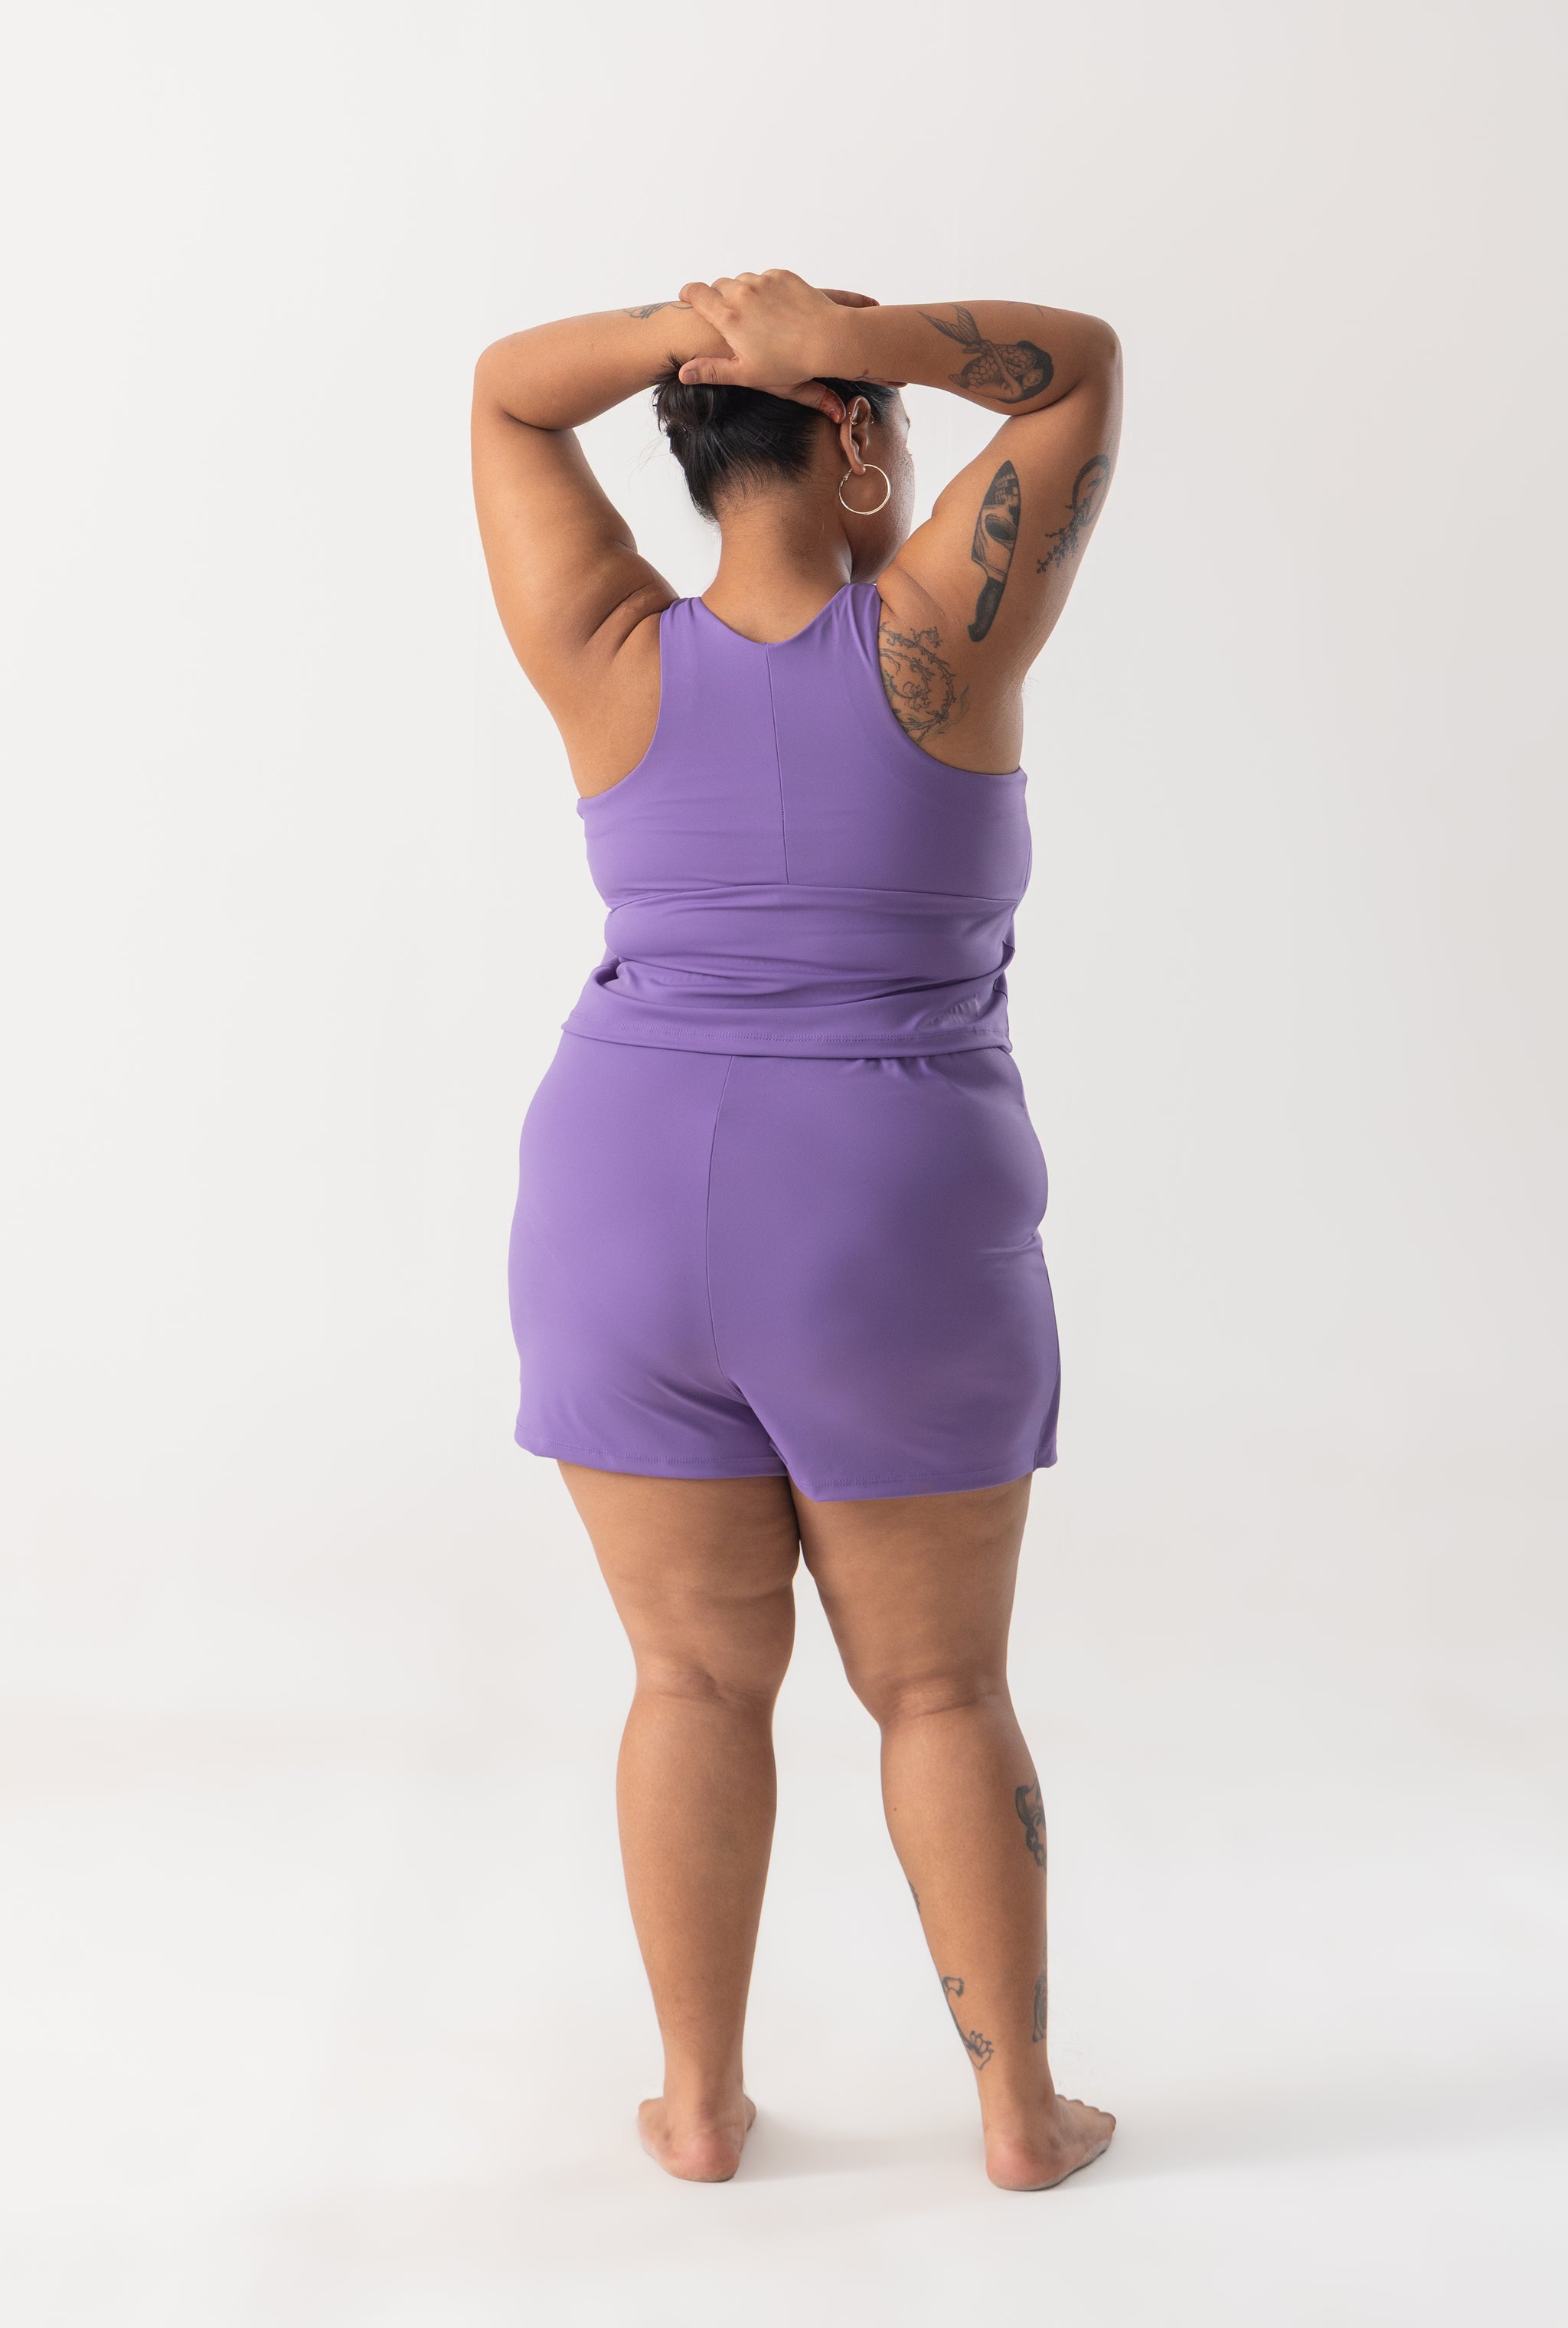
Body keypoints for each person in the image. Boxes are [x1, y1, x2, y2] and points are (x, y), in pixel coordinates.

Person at [470, 270, 1122, 2190]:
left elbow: (507, 394)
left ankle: (695, 2110)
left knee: (687, 1681)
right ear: (854, 437)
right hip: (882, 1207)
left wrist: (684, 327)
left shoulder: (606, 644)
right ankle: (1014, 2115)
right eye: (883, 417)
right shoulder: (935, 640)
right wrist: (853, 340)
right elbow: (1077, 368)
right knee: (935, 1688)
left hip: (615, 1202)